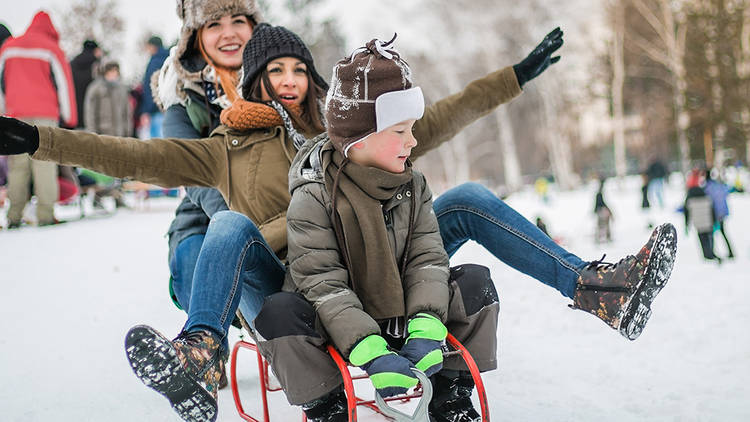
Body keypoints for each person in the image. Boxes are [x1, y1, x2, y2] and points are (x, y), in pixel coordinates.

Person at [0, 23, 679, 421]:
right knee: (228, 229)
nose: (290, 79)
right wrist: (39, 142)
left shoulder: (345, 127)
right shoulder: (222, 150)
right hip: (294, 289)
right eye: (275, 70)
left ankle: (601, 288)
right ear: (253, 81)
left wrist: (511, 79)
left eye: (300, 68)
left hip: (375, 265)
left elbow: (433, 120)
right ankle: (199, 357)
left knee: (467, 196)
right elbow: (127, 155)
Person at [254, 37, 500, 422]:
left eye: (412, 128)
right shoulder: (313, 195)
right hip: (340, 325)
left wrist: (427, 324)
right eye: (400, 130)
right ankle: (326, 405)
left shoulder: (413, 185)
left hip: (405, 315)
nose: (413, 141)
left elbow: (428, 260)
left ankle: (450, 396)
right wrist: (371, 351)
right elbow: (322, 283)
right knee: (279, 313)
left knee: (474, 282)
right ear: (360, 138)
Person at [0, 11, 77, 228]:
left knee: (17, 166)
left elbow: (1, 82)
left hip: (15, 114)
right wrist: (70, 117)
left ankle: (13, 216)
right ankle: (45, 215)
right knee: (45, 164)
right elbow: (64, 85)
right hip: (45, 116)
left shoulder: (9, 47)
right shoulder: (52, 48)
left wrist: (3, 113)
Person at [684, 168, 720, 263]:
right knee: (709, 237)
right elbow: (711, 207)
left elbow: (686, 211)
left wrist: (686, 224)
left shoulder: (690, 192)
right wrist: (714, 220)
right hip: (707, 219)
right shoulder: (704, 189)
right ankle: (710, 253)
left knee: (702, 237)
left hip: (698, 220)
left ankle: (706, 255)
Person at [140, 36, 169, 138]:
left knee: (158, 143)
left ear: (153, 46)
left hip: (156, 109)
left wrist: (147, 110)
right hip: (166, 107)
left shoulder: (155, 62)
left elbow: (149, 88)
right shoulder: (168, 59)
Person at [70, 39, 102, 129]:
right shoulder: (96, 66)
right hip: (91, 115)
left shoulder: (72, 64)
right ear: (95, 50)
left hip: (74, 113)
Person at [703, 168, 734, 259]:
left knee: (712, 233)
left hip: (715, 213)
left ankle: (712, 252)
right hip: (723, 212)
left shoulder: (707, 187)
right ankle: (730, 251)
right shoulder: (718, 185)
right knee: (722, 232)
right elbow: (727, 191)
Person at [594, 177, 613, 243]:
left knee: (602, 225)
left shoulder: (599, 192)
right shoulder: (599, 192)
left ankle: (603, 238)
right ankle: (600, 238)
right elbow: (601, 202)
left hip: (600, 210)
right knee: (602, 225)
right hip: (601, 210)